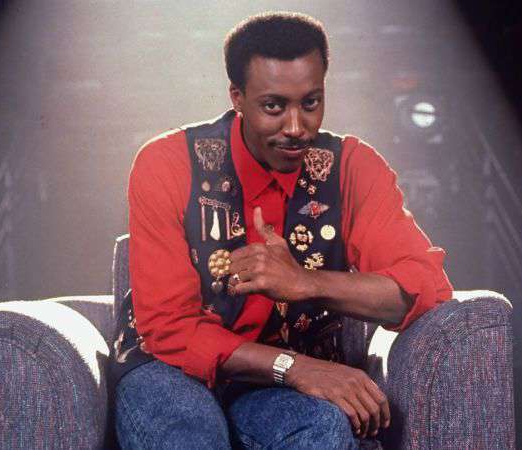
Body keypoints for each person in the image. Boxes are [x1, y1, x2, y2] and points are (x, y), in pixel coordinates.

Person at [113, 11, 453, 449]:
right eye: (273, 106)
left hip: (275, 389)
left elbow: (423, 288)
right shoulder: (167, 162)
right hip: (169, 370)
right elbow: (167, 327)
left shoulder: (353, 167)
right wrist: (294, 367)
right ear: (237, 97)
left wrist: (306, 282)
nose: (295, 128)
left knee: (323, 429)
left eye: (310, 103)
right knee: (188, 433)